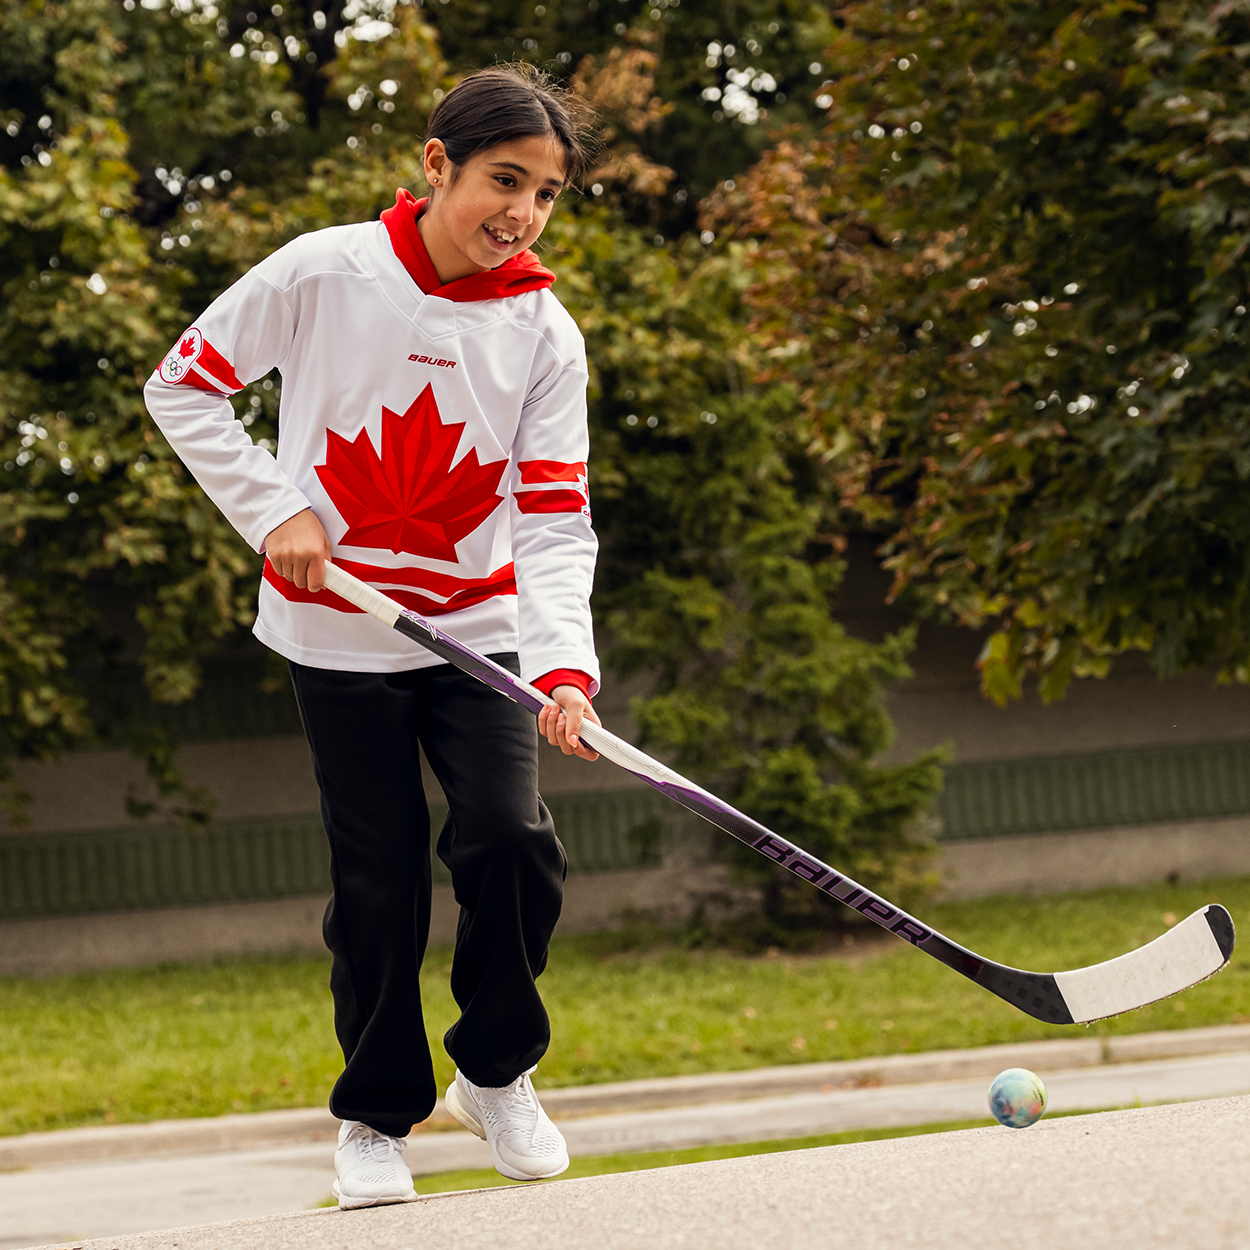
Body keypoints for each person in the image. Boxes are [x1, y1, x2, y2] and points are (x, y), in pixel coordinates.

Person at [144, 65, 602, 1208]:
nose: (523, 212)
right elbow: (183, 386)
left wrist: (562, 668)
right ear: (436, 164)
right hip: (338, 634)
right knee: (379, 878)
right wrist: (275, 511)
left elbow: (553, 517)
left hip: (478, 634)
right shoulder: (324, 270)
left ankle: (494, 1071)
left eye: (546, 193)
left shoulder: (544, 332)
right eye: (505, 179)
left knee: (510, 839)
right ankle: (374, 1116)